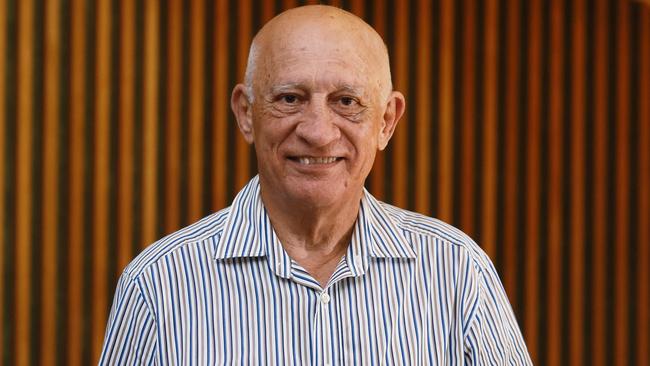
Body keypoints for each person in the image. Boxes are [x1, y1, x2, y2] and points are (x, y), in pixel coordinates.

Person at [99, 5, 532, 365]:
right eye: (290, 98)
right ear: (246, 113)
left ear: (386, 121)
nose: (319, 132)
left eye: (347, 102)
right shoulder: (159, 284)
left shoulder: (456, 273)